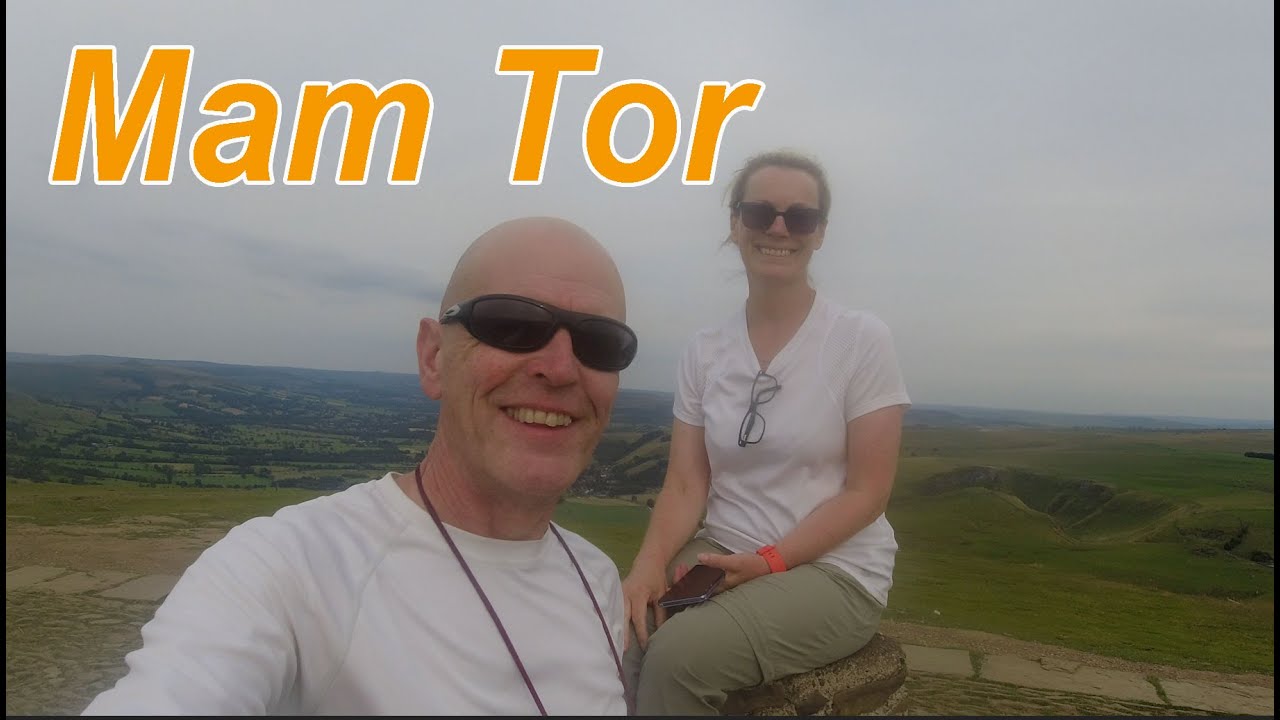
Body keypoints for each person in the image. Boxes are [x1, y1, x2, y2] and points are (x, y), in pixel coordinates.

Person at [84, 217, 638, 715]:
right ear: (432, 357)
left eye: (600, 342)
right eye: (513, 324)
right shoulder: (290, 569)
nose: (561, 368)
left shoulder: (596, 580)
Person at [620, 150, 912, 715]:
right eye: (760, 212)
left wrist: (770, 562)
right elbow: (685, 484)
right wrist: (647, 566)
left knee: (679, 659)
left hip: (835, 570)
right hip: (725, 548)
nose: (779, 228)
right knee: (624, 630)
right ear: (735, 224)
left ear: (820, 233)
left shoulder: (859, 340)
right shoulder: (706, 351)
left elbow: (868, 491)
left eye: (800, 217)